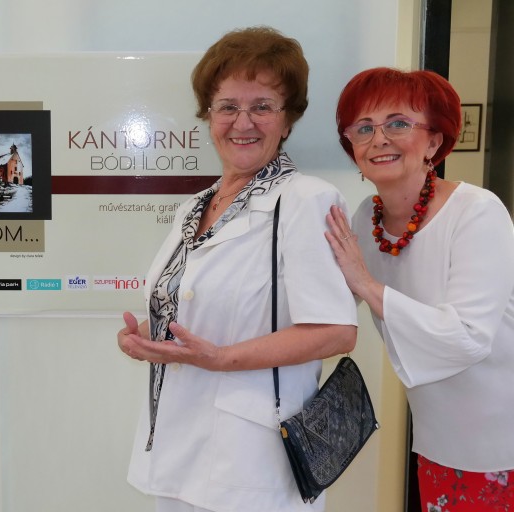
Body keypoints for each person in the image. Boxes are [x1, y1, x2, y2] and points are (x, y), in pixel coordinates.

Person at [117, 26, 358, 512]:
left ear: (287, 120)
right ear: (209, 116)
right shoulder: (194, 208)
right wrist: (147, 336)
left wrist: (221, 358)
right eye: (227, 106)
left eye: (262, 106)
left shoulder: (306, 199)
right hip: (176, 444)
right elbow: (200, 307)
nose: (242, 122)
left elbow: (336, 331)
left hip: (253, 459)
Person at [325, 67, 514, 511]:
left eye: (398, 123)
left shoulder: (477, 211)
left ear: (433, 142)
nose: (379, 139)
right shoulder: (365, 217)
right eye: (363, 128)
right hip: (438, 437)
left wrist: (365, 283)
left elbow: (467, 336)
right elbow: (330, 307)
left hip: (501, 441)